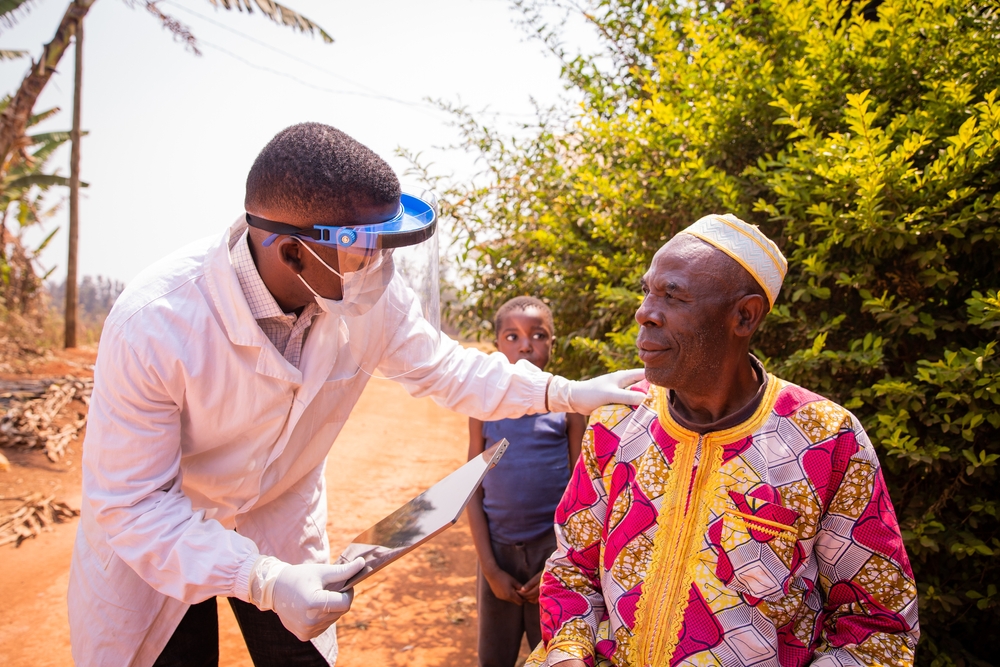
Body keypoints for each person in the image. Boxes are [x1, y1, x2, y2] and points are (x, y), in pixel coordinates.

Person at [66, 123, 646, 667]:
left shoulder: (362, 295)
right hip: (161, 538)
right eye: (364, 247)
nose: (380, 264)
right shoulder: (155, 324)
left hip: (277, 518)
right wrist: (261, 579)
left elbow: (447, 368)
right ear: (293, 252)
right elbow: (135, 505)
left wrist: (565, 391)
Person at [526, 214, 919, 667]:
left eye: (672, 295)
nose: (645, 312)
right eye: (648, 291)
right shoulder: (617, 421)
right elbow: (573, 568)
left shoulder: (827, 440)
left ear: (744, 315)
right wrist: (569, 655)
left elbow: (877, 626)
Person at [467, 296, 588, 667]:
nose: (525, 345)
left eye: (538, 335)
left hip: (549, 555)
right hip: (497, 553)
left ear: (552, 343)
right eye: (512, 336)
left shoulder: (566, 407)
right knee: (494, 657)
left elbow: (579, 492)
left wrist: (555, 562)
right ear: (497, 344)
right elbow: (471, 488)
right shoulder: (483, 406)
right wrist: (489, 568)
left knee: (551, 655)